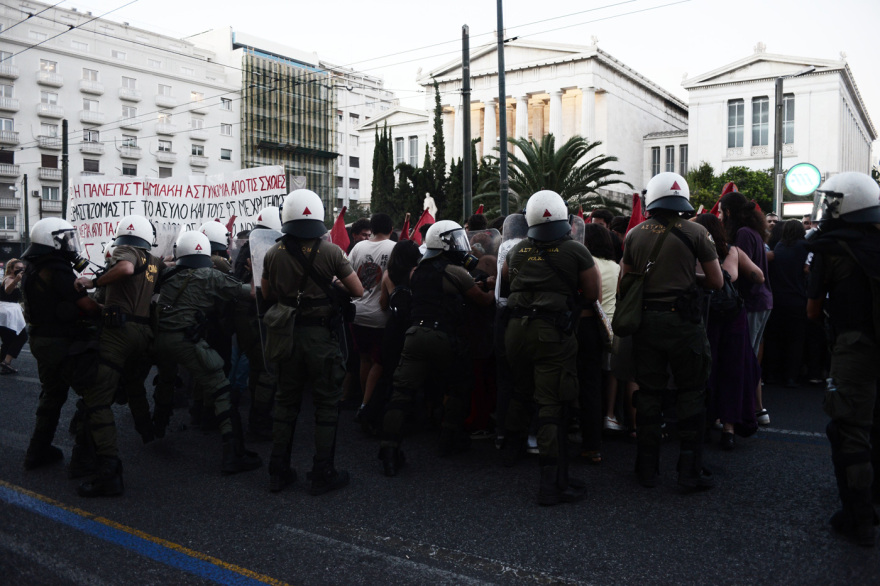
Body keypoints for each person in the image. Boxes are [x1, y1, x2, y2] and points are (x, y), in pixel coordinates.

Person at [621, 172, 722, 489]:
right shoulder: (698, 231)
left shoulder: (634, 234)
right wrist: (690, 278)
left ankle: (646, 468)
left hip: (647, 322)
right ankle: (689, 471)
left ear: (652, 198)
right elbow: (716, 281)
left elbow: (626, 282)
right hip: (684, 323)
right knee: (691, 392)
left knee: (649, 393)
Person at [261, 189, 364, 495]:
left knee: (285, 402)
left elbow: (266, 294)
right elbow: (357, 290)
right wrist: (331, 283)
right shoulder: (331, 251)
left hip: (286, 335)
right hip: (320, 338)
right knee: (326, 404)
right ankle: (322, 472)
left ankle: (278, 471)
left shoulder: (273, 253)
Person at [502, 191, 600, 505]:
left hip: (516, 330)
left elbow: (507, 280)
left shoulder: (517, 249)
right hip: (551, 333)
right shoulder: (575, 249)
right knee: (551, 404)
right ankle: (551, 484)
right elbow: (592, 293)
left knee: (520, 390)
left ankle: (510, 449)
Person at [378, 220, 495, 476]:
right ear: (445, 244)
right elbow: (483, 301)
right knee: (458, 386)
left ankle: (389, 452)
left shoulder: (416, 271)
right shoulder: (455, 271)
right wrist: (493, 287)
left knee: (401, 393)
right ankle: (449, 439)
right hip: (443, 336)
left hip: (414, 335)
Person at [806, 171, 880, 547]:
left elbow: (812, 310)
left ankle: (859, 517)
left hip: (855, 347)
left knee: (849, 429)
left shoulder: (830, 248)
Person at [154, 230, 262, 474]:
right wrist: (260, 274)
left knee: (166, 381)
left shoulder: (167, 273)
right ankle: (232, 453)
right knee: (221, 388)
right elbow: (252, 293)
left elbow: (165, 264)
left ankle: (156, 429)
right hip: (185, 341)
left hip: (160, 340)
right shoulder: (210, 275)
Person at [73, 215, 163, 496]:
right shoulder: (153, 260)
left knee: (97, 399)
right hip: (143, 334)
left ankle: (108, 471)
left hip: (118, 332)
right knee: (133, 384)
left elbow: (125, 268)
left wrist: (94, 281)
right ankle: (147, 432)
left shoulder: (126, 251)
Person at [694, 213, 763, 450]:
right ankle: (729, 428)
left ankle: (706, 420)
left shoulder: (695, 252)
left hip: (705, 315)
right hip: (733, 316)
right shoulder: (734, 251)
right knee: (734, 369)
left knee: (706, 368)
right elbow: (759, 276)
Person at [720, 192, 773, 425]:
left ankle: (746, 410)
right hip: (763, 300)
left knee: (744, 358)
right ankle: (758, 409)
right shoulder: (753, 231)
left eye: (721, 211)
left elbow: (740, 268)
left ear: (728, 212)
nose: (719, 216)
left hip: (752, 301)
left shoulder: (742, 233)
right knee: (750, 356)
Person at [231, 206, 281, 440]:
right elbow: (257, 290)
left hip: (245, 317)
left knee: (256, 368)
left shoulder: (248, 246)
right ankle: (258, 422)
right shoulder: (262, 248)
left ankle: (255, 417)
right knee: (267, 370)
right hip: (256, 315)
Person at [349, 213, 396, 422]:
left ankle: (363, 400)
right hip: (380, 316)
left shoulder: (358, 247)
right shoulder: (394, 248)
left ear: (373, 229)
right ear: (391, 229)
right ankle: (367, 405)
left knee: (364, 358)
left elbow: (348, 274)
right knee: (379, 361)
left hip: (357, 313)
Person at [763, 220, 809, 387]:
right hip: (797, 298)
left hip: (777, 298)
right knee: (796, 339)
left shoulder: (778, 248)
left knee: (774, 337)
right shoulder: (804, 247)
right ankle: (791, 376)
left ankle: (772, 374)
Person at [0, 258, 28, 374]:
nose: (20, 270)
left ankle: (4, 365)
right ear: (11, 269)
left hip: (6, 312)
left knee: (8, 340)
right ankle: (6, 362)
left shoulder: (10, 278)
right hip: (8, 312)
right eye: (17, 268)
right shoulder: (10, 279)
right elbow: (7, 290)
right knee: (22, 336)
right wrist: (16, 280)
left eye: (22, 268)